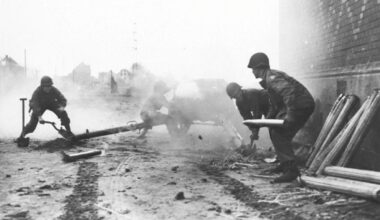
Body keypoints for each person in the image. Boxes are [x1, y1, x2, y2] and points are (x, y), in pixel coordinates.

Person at [247, 52, 315, 183]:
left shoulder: (272, 78)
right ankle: (286, 164)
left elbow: (289, 93)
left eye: (253, 69)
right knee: (276, 131)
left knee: (279, 133)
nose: (253, 72)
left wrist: (290, 115)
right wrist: (265, 121)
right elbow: (274, 106)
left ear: (260, 68)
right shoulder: (268, 79)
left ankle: (291, 171)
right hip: (296, 104)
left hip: (301, 105)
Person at [17, 76, 73, 141]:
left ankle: (69, 131)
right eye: (46, 86)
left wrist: (61, 107)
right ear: (42, 86)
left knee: (63, 113)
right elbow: (35, 105)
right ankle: (22, 136)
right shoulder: (37, 92)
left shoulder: (54, 90)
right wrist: (39, 116)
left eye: (49, 86)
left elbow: (63, 99)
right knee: (32, 125)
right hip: (40, 106)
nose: (48, 88)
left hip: (51, 104)